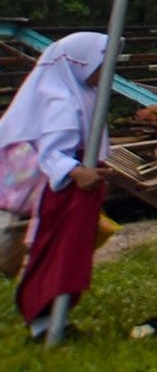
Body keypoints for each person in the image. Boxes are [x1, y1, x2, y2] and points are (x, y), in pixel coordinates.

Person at [4, 32, 109, 340]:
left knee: (71, 256)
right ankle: (42, 321)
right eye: (103, 63)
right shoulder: (62, 100)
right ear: (82, 62)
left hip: (80, 191)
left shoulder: (82, 93)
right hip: (67, 193)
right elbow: (52, 154)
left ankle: (56, 320)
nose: (106, 71)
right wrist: (78, 173)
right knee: (57, 254)